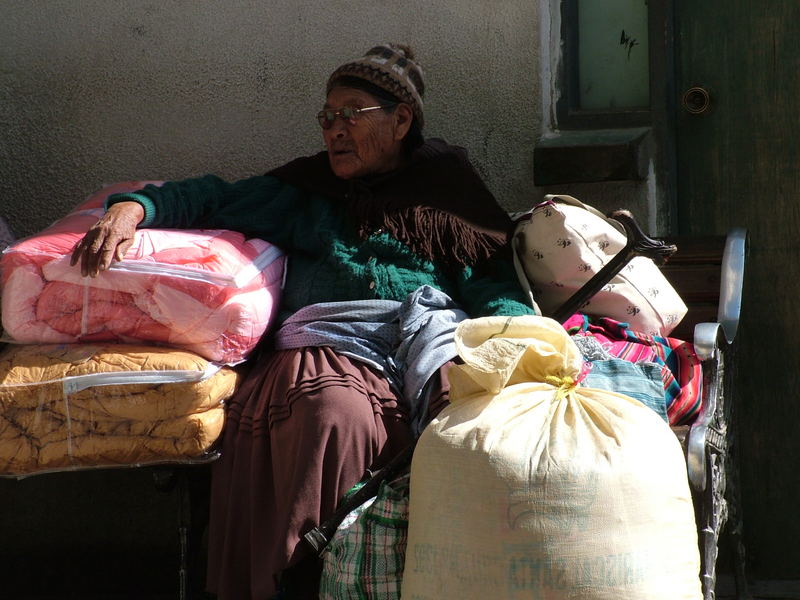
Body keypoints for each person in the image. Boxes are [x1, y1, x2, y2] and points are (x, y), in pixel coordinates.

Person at [71, 43, 535, 600]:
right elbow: (214, 197)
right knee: (331, 413)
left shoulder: (450, 193)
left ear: (401, 120)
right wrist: (133, 208)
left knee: (469, 419)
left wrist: (520, 345)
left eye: (351, 114)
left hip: (422, 339)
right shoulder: (308, 191)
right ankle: (304, 581)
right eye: (327, 117)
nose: (335, 130)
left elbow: (493, 284)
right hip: (328, 342)